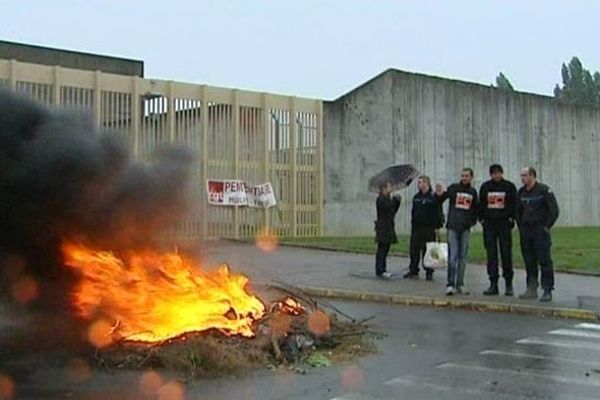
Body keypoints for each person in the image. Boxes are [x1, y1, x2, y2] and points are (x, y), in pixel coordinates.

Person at [516, 167, 559, 302]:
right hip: (526, 231)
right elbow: (517, 211)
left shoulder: (544, 190)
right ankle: (531, 287)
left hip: (540, 230)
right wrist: (521, 227)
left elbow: (554, 210)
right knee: (529, 260)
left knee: (544, 260)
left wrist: (547, 227)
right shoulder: (521, 192)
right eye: (521, 175)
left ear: (532, 176)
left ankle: (547, 289)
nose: (522, 178)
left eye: (525, 175)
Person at [436, 168, 478, 296]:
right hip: (453, 227)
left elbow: (475, 209)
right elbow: (441, 200)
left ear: (471, 178)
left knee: (463, 257)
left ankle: (460, 284)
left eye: (467, 176)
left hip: (465, 228)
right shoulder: (454, 188)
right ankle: (450, 284)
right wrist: (439, 194)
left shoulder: (472, 192)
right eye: (462, 176)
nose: (464, 178)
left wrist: (471, 222)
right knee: (452, 257)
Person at [479, 164, 517, 296]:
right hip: (489, 226)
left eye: (498, 173)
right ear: (491, 174)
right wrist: (483, 220)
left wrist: (511, 219)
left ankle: (508, 284)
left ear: (502, 173)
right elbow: (481, 205)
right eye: (494, 173)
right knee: (491, 255)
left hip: (504, 225)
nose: (496, 175)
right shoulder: (485, 187)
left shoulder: (509, 187)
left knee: (506, 254)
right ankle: (493, 284)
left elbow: (514, 204)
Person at [404, 175, 443, 281]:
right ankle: (413, 270)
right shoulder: (416, 197)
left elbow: (438, 213)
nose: (419, 184)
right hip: (417, 228)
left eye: (421, 182)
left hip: (429, 228)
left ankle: (429, 272)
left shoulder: (433, 197)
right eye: (418, 182)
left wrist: (438, 226)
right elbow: (413, 212)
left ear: (427, 183)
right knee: (414, 250)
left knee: (428, 251)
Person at [374, 182, 401, 279]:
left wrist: (397, 200)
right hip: (383, 227)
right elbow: (388, 208)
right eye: (389, 187)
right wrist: (394, 199)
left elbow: (393, 210)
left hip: (388, 226)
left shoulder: (387, 198)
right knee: (382, 248)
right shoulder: (381, 199)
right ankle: (380, 270)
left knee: (386, 248)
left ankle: (382, 269)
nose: (391, 188)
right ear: (384, 188)